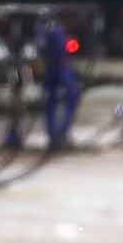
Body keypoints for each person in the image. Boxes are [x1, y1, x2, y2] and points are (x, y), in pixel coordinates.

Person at [37, 16, 82, 149]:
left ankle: (56, 135)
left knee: (53, 102)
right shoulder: (56, 30)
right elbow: (65, 49)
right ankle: (59, 135)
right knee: (69, 97)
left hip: (52, 70)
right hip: (59, 70)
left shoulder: (43, 29)